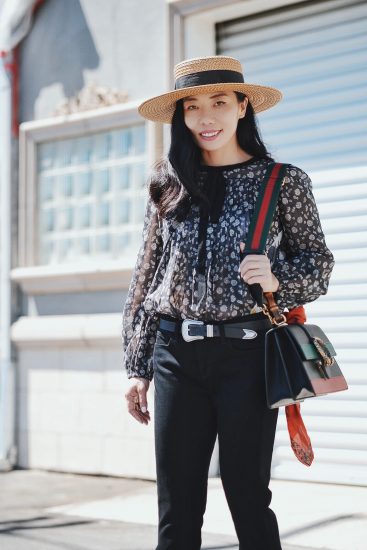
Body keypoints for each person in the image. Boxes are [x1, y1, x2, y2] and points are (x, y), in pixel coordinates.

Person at [121, 55, 335, 550]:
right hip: (176, 354)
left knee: (247, 496)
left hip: (249, 357)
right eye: (192, 107)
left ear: (243, 106)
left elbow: (318, 263)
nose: (206, 117)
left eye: (219, 102)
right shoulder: (166, 183)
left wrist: (278, 276)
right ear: (181, 117)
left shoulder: (283, 181)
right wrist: (137, 365)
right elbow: (145, 278)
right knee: (177, 506)